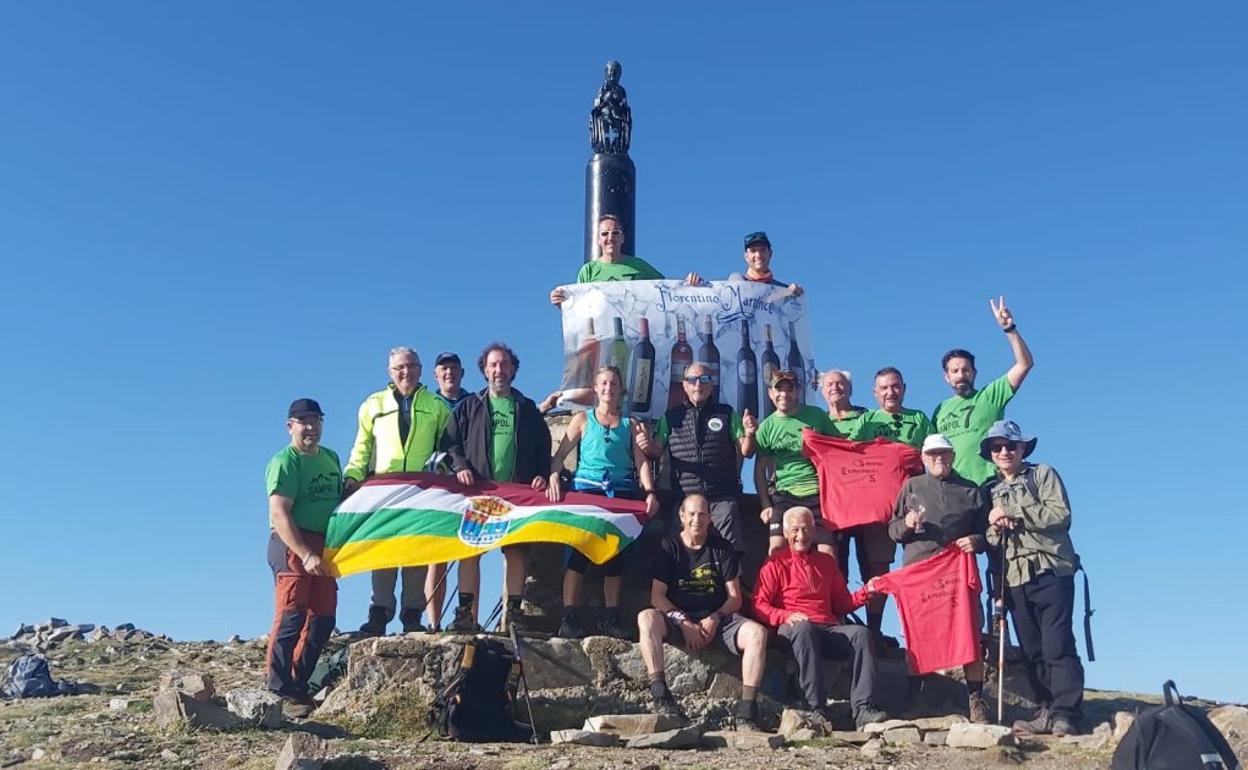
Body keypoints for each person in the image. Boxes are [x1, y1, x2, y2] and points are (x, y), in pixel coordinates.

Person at [982, 421, 1085, 737]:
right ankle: (1046, 709)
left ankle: (1067, 713)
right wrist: (994, 528)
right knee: (1031, 648)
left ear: (1023, 448)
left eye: (1010, 445)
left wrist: (1017, 515)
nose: (1004, 452)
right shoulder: (989, 490)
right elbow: (990, 541)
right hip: (1013, 578)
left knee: (1057, 643)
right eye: (997, 447)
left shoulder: (1042, 474)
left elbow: (1061, 515)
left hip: (1051, 568)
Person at [444, 342, 552, 633]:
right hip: (479, 491)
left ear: (513, 369)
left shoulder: (527, 409)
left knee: (515, 552)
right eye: (493, 365)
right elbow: (450, 443)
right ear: (484, 370)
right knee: (469, 551)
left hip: (515, 493)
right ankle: (466, 615)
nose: (498, 370)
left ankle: (513, 616)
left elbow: (544, 449)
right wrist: (461, 467)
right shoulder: (469, 406)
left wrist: (542, 474)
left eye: (504, 364)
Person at [636, 494, 769, 728]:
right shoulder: (669, 547)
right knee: (646, 617)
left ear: (710, 518)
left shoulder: (723, 548)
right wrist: (683, 622)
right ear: (682, 516)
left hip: (718, 620)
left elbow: (735, 597)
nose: (697, 519)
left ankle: (747, 712)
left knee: (757, 634)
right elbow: (657, 596)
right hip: (678, 618)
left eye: (702, 514)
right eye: (692, 514)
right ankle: (661, 695)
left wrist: (715, 618)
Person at [345, 347, 452, 636]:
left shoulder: (437, 406)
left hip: (420, 489)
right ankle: (379, 612)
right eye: (399, 368)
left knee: (415, 551)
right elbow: (362, 446)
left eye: (411, 366)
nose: (406, 372)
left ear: (420, 369)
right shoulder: (373, 405)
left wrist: (445, 475)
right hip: (384, 488)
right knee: (384, 549)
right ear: (390, 372)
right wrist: (353, 475)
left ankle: (412, 614)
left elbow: (447, 448)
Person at [547, 366, 659, 639]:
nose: (609, 387)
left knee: (615, 558)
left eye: (614, 383)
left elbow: (641, 461)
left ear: (621, 389)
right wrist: (552, 475)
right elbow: (561, 454)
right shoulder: (583, 420)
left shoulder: (629, 424)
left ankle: (610, 617)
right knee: (577, 557)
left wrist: (650, 491)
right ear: (596, 388)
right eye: (604, 383)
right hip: (586, 492)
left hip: (619, 495)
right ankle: (569, 616)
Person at [752, 506, 889, 728]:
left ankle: (863, 708)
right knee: (803, 627)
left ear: (814, 531)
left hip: (827, 627)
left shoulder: (826, 563)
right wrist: (785, 615)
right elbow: (759, 605)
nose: (801, 535)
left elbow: (842, 604)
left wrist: (866, 592)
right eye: (795, 530)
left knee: (861, 634)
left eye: (806, 529)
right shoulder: (774, 564)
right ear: (786, 533)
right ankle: (815, 707)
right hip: (793, 629)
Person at [887, 434, 991, 723]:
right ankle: (917, 698)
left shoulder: (970, 490)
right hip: (920, 572)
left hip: (958, 573)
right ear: (923, 458)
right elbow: (892, 531)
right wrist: (906, 525)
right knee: (918, 636)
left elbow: (988, 534)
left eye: (944, 454)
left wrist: (977, 540)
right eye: (933, 455)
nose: (939, 460)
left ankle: (976, 701)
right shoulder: (911, 487)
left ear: (953, 456)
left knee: (969, 633)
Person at [264, 398, 342, 718]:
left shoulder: (332, 459)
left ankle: (299, 684)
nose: (310, 427)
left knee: (323, 618)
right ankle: (278, 687)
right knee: (292, 614)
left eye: (316, 420)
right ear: (290, 426)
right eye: (303, 421)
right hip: (293, 544)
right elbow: (279, 514)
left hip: (325, 545)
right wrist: (305, 553)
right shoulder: (286, 462)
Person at [645, 362, 758, 553]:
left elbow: (747, 451)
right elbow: (656, 450)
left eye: (704, 379)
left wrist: (750, 433)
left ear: (711, 384)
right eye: (692, 379)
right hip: (685, 498)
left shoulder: (727, 413)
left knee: (729, 555)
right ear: (684, 385)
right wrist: (644, 444)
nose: (698, 384)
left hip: (721, 499)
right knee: (680, 557)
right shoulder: (671, 417)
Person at [932, 296, 1035, 485]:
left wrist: (1009, 329)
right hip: (955, 487)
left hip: (989, 484)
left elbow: (1024, 364)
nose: (961, 374)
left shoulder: (990, 396)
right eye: (954, 371)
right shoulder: (939, 411)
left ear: (974, 373)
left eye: (966, 370)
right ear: (946, 377)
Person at [754, 369, 838, 555]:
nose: (784, 394)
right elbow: (760, 470)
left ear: (797, 392)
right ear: (770, 393)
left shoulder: (816, 416)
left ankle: (829, 585)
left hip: (818, 494)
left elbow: (839, 451)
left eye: (789, 389)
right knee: (776, 550)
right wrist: (765, 504)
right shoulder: (766, 427)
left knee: (828, 553)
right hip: (785, 495)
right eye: (779, 389)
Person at [550, 215, 664, 306]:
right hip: (600, 333)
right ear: (599, 240)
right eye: (605, 234)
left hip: (632, 333)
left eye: (615, 233)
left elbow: (666, 291)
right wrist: (562, 301)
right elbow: (579, 305)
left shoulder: (639, 265)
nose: (610, 238)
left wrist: (681, 288)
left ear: (622, 238)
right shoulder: (588, 270)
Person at [686, 231, 803, 295]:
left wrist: (796, 295)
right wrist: (697, 286)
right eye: (753, 251)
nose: (758, 255)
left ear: (770, 253)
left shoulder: (782, 290)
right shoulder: (735, 281)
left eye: (762, 250)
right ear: (746, 256)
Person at [857, 367, 934, 448]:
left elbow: (935, 449)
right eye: (884, 388)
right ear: (875, 392)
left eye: (895, 386)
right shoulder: (866, 421)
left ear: (904, 388)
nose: (890, 393)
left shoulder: (919, 417)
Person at [820, 369, 867, 438]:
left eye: (840, 383)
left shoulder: (867, 416)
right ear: (823, 392)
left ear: (850, 390)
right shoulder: (820, 422)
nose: (835, 388)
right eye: (829, 384)